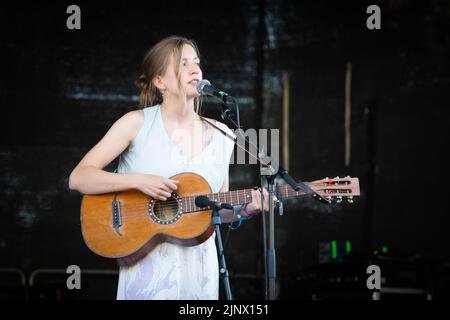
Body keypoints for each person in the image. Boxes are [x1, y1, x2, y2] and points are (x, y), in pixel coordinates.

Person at [68, 35, 273, 300]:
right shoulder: (135, 123)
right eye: (182, 63)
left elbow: (216, 211)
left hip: (199, 272)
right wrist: (138, 181)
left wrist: (246, 208)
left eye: (196, 63)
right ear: (160, 81)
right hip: (146, 270)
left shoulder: (224, 133)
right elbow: (79, 177)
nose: (194, 69)